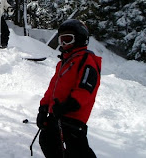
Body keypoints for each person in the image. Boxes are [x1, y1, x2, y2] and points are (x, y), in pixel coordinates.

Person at [36, 19, 101, 158]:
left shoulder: (87, 60)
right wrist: (43, 108)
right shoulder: (63, 63)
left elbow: (86, 89)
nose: (64, 44)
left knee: (77, 150)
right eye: (61, 40)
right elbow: (52, 89)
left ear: (80, 39)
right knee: (47, 139)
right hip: (57, 114)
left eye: (68, 39)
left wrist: (68, 105)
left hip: (74, 117)